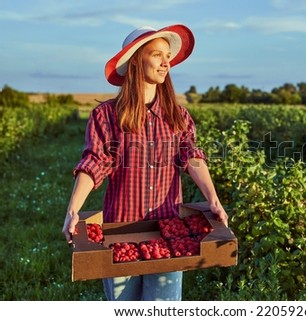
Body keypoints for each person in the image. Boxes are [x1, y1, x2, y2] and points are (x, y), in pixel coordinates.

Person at [61, 24, 228, 301]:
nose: (166, 63)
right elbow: (95, 162)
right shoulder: (106, 116)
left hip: (168, 234)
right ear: (137, 61)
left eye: (168, 56)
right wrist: (73, 209)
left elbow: (192, 156)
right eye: (157, 55)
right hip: (120, 232)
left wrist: (213, 198)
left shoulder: (178, 116)